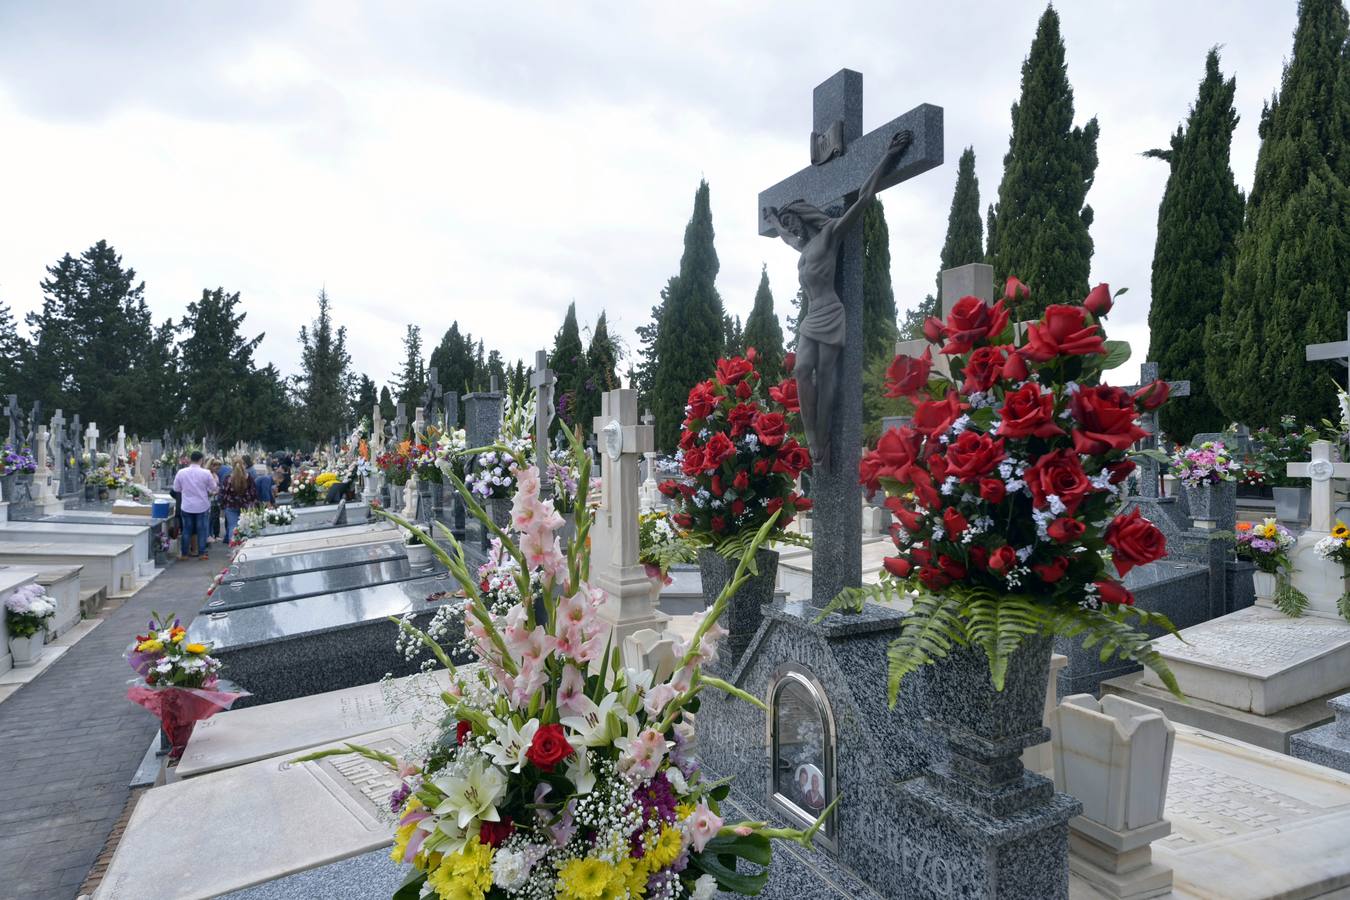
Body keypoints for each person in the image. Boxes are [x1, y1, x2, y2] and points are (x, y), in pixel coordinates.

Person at [762, 129, 912, 471]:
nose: (791, 229)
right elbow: (786, 238)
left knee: (826, 374)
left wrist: (887, 157)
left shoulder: (829, 235)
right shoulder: (802, 247)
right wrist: (772, 220)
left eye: (791, 222)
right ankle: (814, 437)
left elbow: (862, 199)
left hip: (831, 310)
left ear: (803, 217)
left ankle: (822, 439)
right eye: (787, 224)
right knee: (802, 370)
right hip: (812, 316)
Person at [173, 451, 218, 560]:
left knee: (187, 530)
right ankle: (201, 553)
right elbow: (213, 487)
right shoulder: (206, 473)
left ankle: (184, 554)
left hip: (187, 505)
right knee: (201, 530)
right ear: (201, 460)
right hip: (202, 505)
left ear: (190, 459)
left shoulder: (181, 472)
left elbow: (176, 489)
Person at [220, 455, 258, 544]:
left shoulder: (228, 478)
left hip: (231, 506)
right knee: (246, 527)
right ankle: (245, 547)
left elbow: (224, 493)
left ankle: (233, 549)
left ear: (232, 466)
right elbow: (253, 493)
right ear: (243, 465)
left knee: (232, 527)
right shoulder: (248, 477)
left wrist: (222, 505)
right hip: (246, 506)